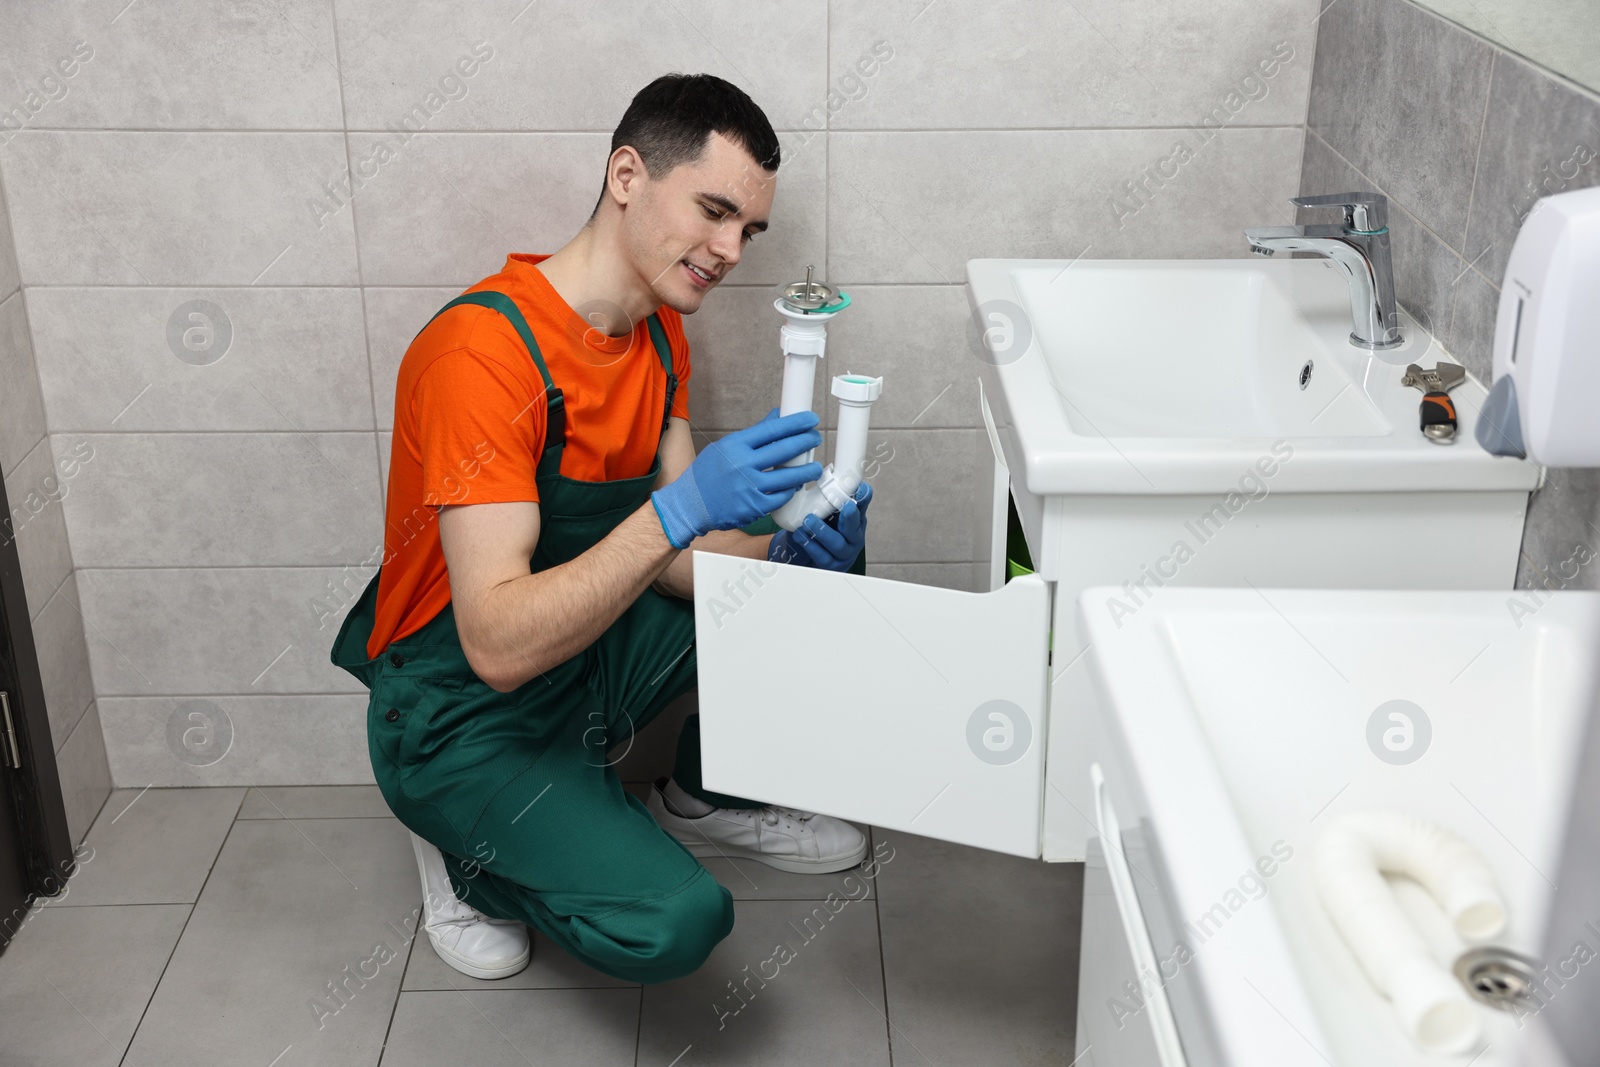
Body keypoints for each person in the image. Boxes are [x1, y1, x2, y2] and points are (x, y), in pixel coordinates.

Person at [329, 73, 873, 986]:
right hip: (462, 709)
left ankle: (705, 797)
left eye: (749, 229)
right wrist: (681, 506)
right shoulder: (484, 358)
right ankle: (463, 847)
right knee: (678, 921)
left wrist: (785, 552)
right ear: (627, 174)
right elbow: (498, 642)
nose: (732, 249)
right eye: (714, 210)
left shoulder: (659, 338)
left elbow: (673, 566)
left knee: (815, 562)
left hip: (582, 661)